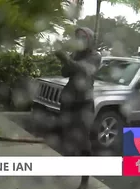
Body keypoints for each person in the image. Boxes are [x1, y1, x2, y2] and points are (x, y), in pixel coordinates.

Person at [54, 27, 101, 189]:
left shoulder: (95, 56)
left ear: (90, 40)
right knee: (66, 136)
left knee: (84, 142)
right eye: (77, 37)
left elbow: (84, 70)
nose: (79, 40)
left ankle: (85, 180)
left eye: (82, 37)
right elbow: (65, 73)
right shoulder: (76, 55)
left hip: (84, 103)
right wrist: (64, 60)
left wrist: (66, 59)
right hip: (69, 101)